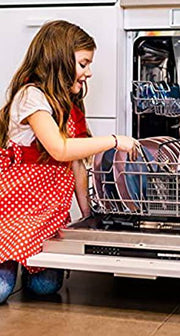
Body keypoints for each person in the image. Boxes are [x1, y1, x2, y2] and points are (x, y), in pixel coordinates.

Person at [0, 20, 138, 304]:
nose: (88, 72)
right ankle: (12, 264)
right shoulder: (31, 96)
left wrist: (88, 214)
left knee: (45, 288)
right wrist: (114, 140)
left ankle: (28, 265)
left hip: (48, 212)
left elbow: (76, 162)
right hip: (15, 209)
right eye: (83, 63)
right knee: (2, 290)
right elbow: (60, 149)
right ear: (59, 59)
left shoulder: (70, 104)